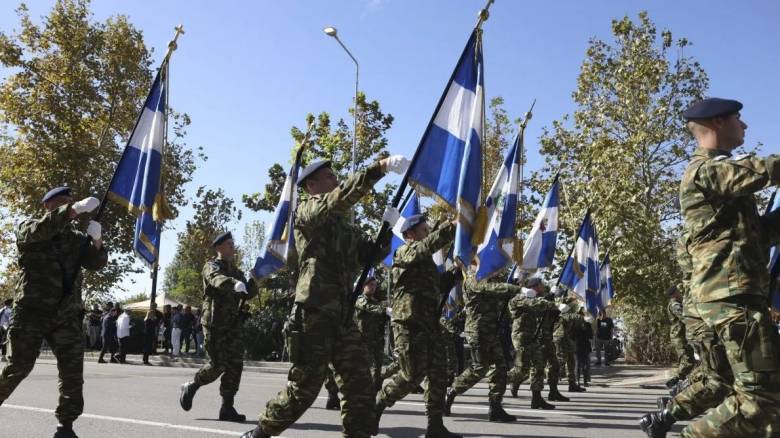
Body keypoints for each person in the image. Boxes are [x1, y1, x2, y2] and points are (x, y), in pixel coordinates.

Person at [241, 156, 407, 438]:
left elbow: (368, 255)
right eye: (329, 176)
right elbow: (336, 200)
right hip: (314, 312)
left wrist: (386, 231)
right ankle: (260, 433)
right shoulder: (306, 212)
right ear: (311, 184)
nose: (335, 180)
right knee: (305, 389)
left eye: (335, 176)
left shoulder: (344, 227)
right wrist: (378, 169)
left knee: (360, 387)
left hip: (343, 315)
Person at [643, 97, 780, 437]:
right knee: (762, 402)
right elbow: (761, 171)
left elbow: (758, 236)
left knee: (746, 392)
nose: (745, 126)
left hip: (734, 296)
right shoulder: (706, 170)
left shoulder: (719, 176)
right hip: (731, 298)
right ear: (718, 122)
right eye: (738, 118)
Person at [0, 187, 106, 438]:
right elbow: (39, 230)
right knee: (18, 367)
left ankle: (66, 426)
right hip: (31, 313)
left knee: (72, 372)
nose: (68, 207)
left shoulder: (77, 239)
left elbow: (95, 264)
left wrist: (98, 240)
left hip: (66, 315)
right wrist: (74, 210)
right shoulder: (30, 227)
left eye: (70, 203)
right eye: (61, 203)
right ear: (46, 206)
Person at [374, 214, 460, 437]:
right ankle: (379, 403)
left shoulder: (426, 262)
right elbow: (426, 247)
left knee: (438, 373)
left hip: (429, 324)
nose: (428, 233)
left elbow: (434, 287)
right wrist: (449, 228)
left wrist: (453, 275)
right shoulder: (404, 252)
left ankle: (435, 425)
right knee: (412, 376)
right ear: (410, 234)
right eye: (424, 230)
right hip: (408, 324)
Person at [179, 231, 259, 422]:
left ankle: (227, 408)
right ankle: (192, 385)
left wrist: (254, 282)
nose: (233, 248)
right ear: (219, 248)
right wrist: (234, 283)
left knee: (235, 365)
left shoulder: (237, 271)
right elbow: (216, 279)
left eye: (233, 244)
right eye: (229, 244)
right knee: (218, 364)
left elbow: (247, 294)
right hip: (215, 324)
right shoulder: (211, 266)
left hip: (233, 325)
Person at [444, 274, 518, 423]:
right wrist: (516, 288)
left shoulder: (491, 281)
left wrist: (516, 284)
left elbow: (497, 297)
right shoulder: (473, 279)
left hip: (492, 332)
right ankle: (451, 391)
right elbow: (487, 288)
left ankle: (495, 407)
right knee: (480, 368)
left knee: (500, 367)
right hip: (478, 331)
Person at [506, 277, 559, 409]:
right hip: (521, 336)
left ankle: (537, 398)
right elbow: (535, 304)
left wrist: (551, 297)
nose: (543, 286)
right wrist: (554, 303)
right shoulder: (519, 297)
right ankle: (498, 378)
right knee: (521, 370)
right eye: (541, 284)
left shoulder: (534, 297)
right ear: (535, 285)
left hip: (531, 336)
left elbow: (540, 303)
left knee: (539, 365)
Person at [353, 275, 389, 394]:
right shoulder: (360, 299)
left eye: (374, 285)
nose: (373, 287)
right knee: (363, 368)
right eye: (370, 285)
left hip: (377, 340)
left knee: (377, 368)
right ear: (364, 286)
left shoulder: (376, 301)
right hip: (363, 340)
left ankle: (374, 394)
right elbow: (369, 307)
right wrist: (384, 309)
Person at [664, 285, 696, 389]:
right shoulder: (674, 305)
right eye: (678, 291)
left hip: (682, 336)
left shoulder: (677, 303)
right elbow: (684, 317)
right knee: (687, 361)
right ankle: (676, 381)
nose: (680, 292)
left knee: (690, 360)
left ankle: (685, 382)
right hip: (679, 336)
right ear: (675, 293)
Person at [555, 294, 585, 393]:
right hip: (559, 338)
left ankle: (572, 384)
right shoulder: (560, 310)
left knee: (571, 361)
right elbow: (568, 317)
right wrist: (581, 317)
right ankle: (553, 386)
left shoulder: (570, 308)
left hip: (567, 338)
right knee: (559, 362)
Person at [573, 308, 593, 388]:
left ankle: (582, 381)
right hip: (579, 346)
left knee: (583, 365)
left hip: (580, 346)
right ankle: (580, 381)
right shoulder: (586, 324)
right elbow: (590, 336)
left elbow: (572, 336)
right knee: (580, 364)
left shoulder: (576, 325)